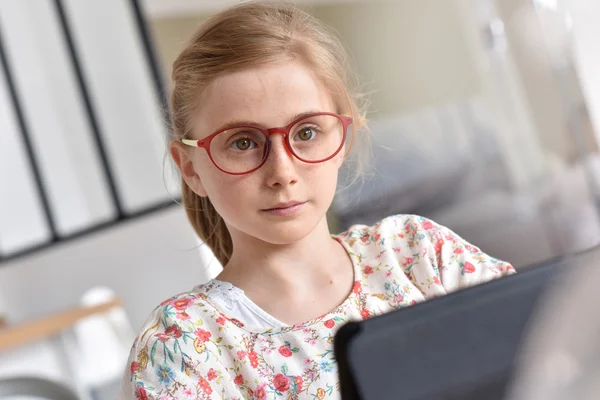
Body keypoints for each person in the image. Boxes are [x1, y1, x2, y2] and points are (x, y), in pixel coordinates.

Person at [120, 1, 515, 399]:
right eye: (242, 142)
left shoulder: (418, 254)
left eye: (306, 133)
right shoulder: (180, 348)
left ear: (343, 138)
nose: (281, 172)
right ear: (190, 168)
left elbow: (552, 356)